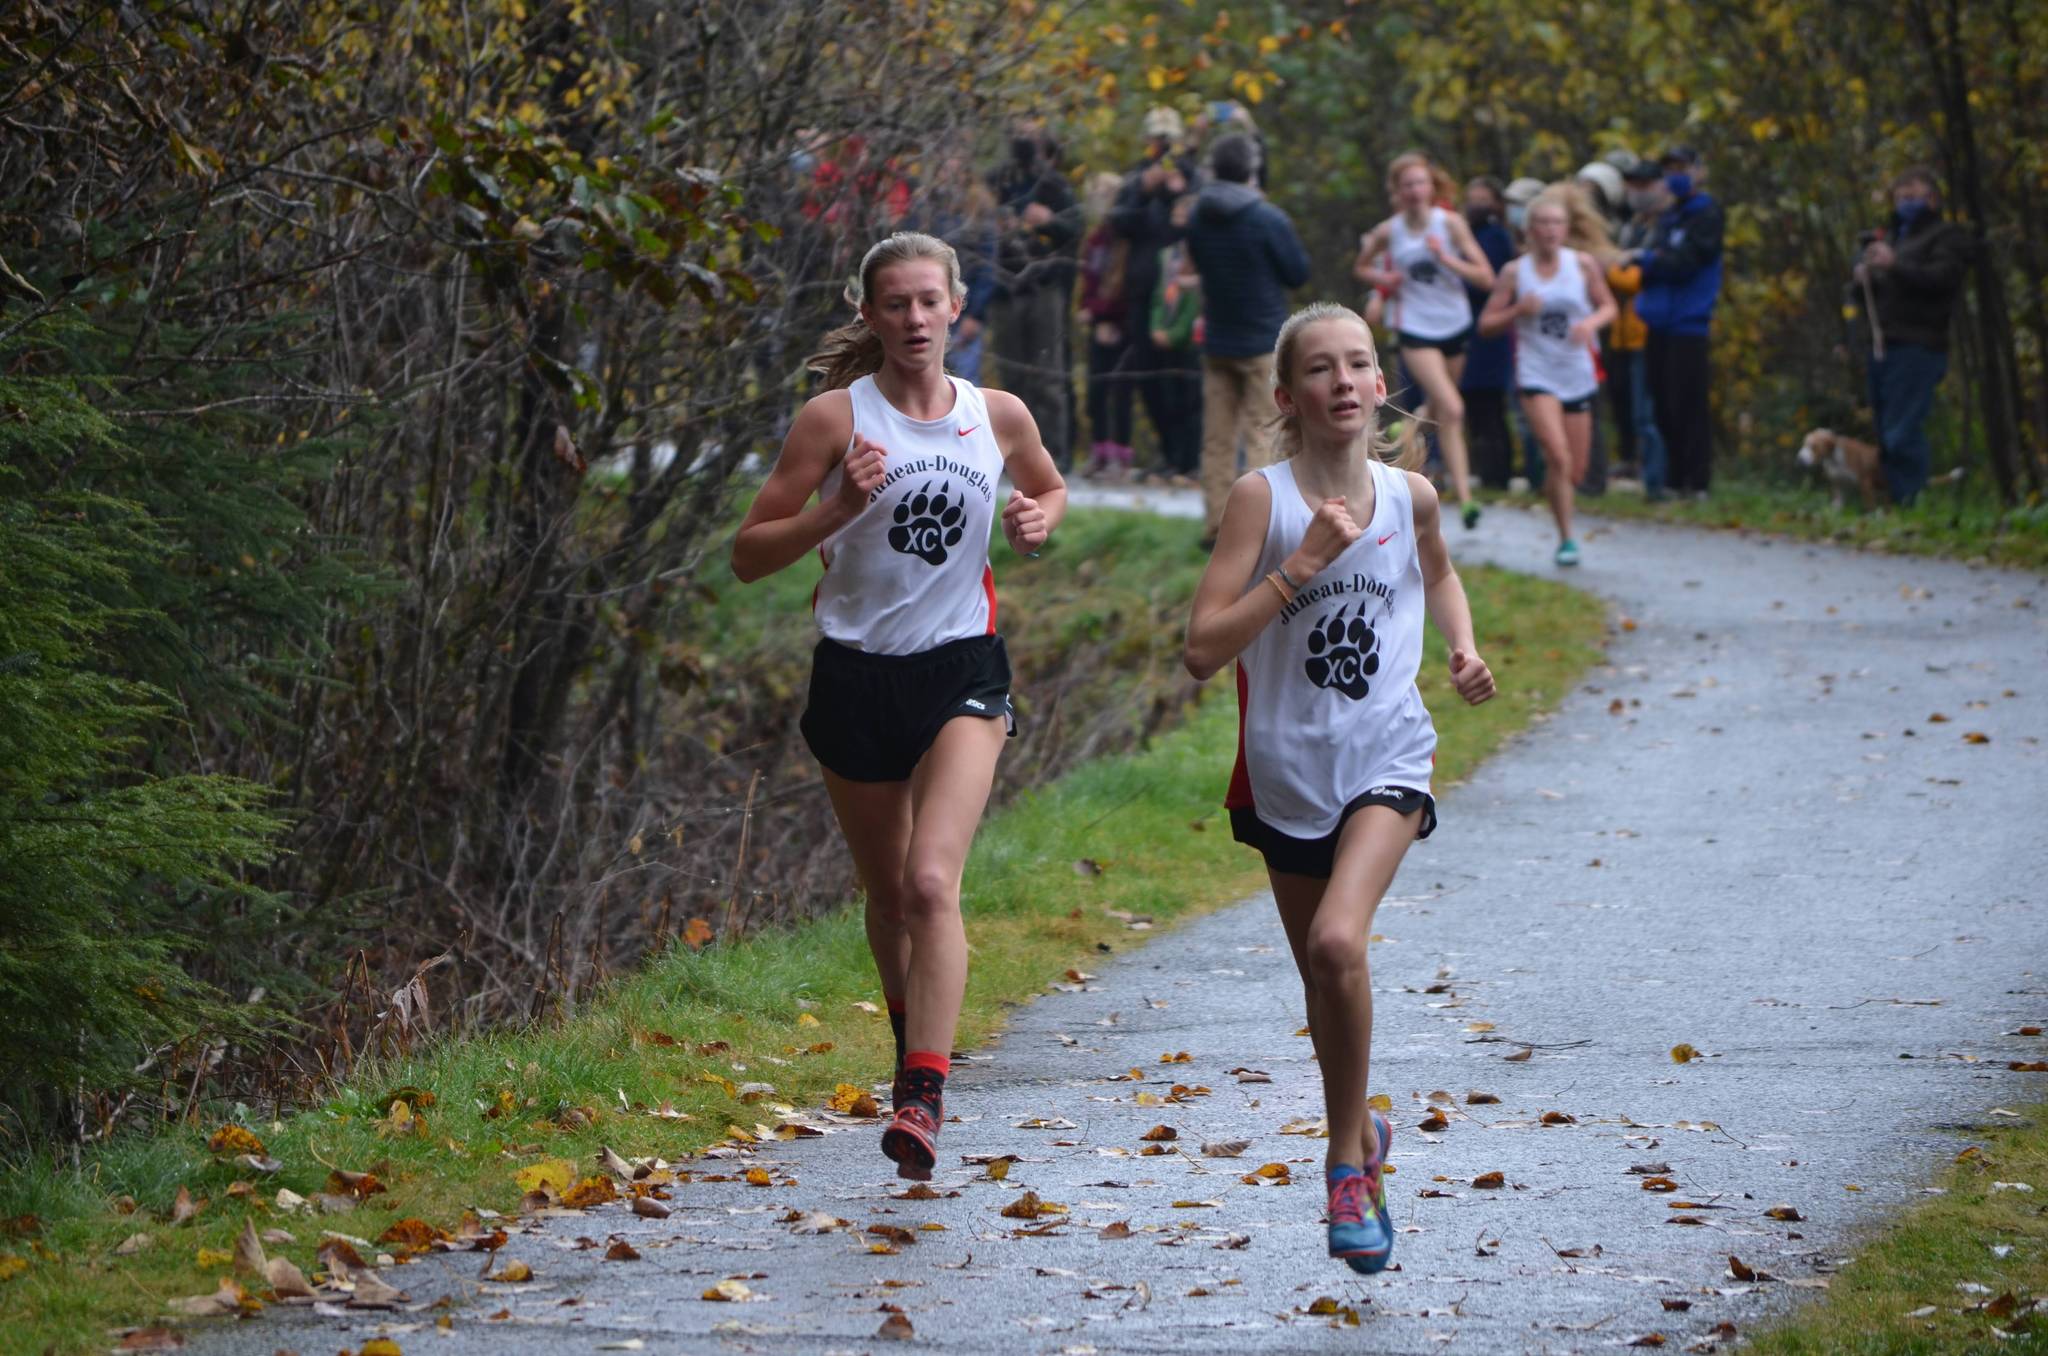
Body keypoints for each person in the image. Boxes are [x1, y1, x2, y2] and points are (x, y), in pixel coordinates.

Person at [730, 233, 1067, 1179]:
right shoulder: (833, 420)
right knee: (885, 897)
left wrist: (1044, 517)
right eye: (896, 305)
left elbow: (1047, 484)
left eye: (930, 302)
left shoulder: (995, 415)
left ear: (956, 306)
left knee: (930, 883)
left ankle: (923, 1093)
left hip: (962, 667)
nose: (915, 320)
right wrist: (835, 512)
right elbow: (749, 553)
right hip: (854, 674)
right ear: (870, 314)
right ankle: (909, 1042)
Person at [1183, 301, 1495, 1276]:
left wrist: (1461, 644)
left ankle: (1340, 1167)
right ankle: (1360, 1133)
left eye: (1359, 363)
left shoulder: (1409, 497)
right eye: (1320, 368)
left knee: (1333, 942)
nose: (1344, 381)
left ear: (1377, 383)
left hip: (1385, 755)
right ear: (1287, 395)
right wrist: (1300, 567)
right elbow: (1200, 650)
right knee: (1324, 980)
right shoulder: (1260, 503)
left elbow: (1437, 575)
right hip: (1283, 771)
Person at [1354, 153, 1497, 530]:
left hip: (1454, 326)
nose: (1415, 190)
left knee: (1441, 407)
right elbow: (1362, 266)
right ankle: (1466, 500)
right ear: (1397, 192)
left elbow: (1486, 277)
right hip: (1415, 328)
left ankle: (1411, 425)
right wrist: (1384, 282)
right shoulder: (1389, 231)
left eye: (1421, 183)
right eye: (1407, 185)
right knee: (1451, 407)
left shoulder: (1450, 224)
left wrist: (1446, 258)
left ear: (1431, 187)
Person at [1479, 189, 1619, 566]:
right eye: (1542, 223)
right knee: (1557, 455)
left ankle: (1555, 490)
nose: (1550, 230)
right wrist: (1517, 311)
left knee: (1574, 469)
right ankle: (1567, 539)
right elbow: (1486, 323)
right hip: (1536, 372)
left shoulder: (1583, 265)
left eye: (1557, 223)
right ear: (1530, 230)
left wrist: (1591, 322)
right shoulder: (1514, 272)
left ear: (1566, 228)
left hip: (1577, 372)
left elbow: (1609, 306)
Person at [1185, 132, 1312, 546]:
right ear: (1252, 169)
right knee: (1264, 432)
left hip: (1219, 338)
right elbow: (1297, 272)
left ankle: (1215, 525)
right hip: (1262, 340)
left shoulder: (1198, 217)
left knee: (1217, 438)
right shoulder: (1267, 218)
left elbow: (1199, 264)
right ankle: (1260, 528)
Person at [1850, 166, 1976, 505]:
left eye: (1913, 196)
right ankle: (1891, 501)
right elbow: (1870, 296)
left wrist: (1895, 265)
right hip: (1882, 345)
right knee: (1884, 432)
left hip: (1919, 345)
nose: (1905, 202)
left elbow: (1941, 280)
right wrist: (1864, 279)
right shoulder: (1891, 238)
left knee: (1902, 431)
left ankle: (1911, 503)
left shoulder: (1946, 236)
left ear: (1932, 199)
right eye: (1900, 197)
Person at [1631, 147, 1724, 498]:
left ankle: (1697, 482)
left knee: (1689, 403)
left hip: (1689, 323)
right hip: (1657, 322)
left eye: (1681, 167)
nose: (1675, 175)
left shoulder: (1706, 214)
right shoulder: (1666, 217)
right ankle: (1674, 479)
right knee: (1664, 405)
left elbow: (1685, 263)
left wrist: (1648, 261)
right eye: (1669, 169)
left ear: (1699, 170)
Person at [988, 124, 1081, 469]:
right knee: (1012, 378)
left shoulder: (1054, 184)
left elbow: (1075, 228)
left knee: (1047, 375)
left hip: (1044, 288)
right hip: (1005, 288)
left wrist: (1049, 221)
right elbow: (974, 227)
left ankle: (1054, 454)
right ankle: (1014, 455)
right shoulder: (996, 181)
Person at [1114, 107, 1199, 477]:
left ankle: (1188, 459)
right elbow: (1118, 222)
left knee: (1185, 381)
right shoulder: (1138, 178)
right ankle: (1167, 454)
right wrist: (1144, 191)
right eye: (1156, 139)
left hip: (1184, 296)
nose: (1161, 148)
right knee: (1148, 379)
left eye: (1167, 140)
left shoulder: (1192, 175)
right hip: (1143, 294)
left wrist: (1184, 193)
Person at [1606, 160, 1669, 496]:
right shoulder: (1632, 226)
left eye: (1643, 185)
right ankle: (1636, 467)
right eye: (1632, 185)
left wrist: (1612, 267)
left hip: (1648, 330)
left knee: (1648, 411)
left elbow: (1634, 276)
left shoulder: (1663, 226)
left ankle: (1657, 481)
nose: (1637, 192)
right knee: (1627, 407)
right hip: (1622, 332)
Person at [1458, 176, 1519, 491]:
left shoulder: (1496, 238)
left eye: (1484, 198)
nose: (1477, 204)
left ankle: (1499, 473)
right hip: (1467, 332)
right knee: (1474, 408)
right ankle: (1486, 470)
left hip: (1489, 338)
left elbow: (1491, 282)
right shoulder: (1466, 236)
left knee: (1491, 406)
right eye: (1472, 197)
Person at [1079, 172, 1134, 479]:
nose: (1097, 197)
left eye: (1104, 192)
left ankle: (1121, 457)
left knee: (1120, 390)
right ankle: (1099, 452)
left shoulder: (1123, 238)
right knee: (1095, 391)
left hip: (1119, 325)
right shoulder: (1096, 238)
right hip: (1097, 323)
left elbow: (1122, 284)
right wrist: (1087, 308)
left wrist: (1102, 316)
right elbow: (1089, 279)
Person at [1148, 240, 1205, 484]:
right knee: (1168, 405)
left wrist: (1172, 336)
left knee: (1190, 408)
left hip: (1189, 351)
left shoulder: (1197, 285)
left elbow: (1191, 317)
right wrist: (1156, 329)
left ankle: (1190, 464)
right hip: (1166, 350)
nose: (1178, 262)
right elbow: (1159, 304)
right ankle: (1172, 459)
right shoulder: (1172, 284)